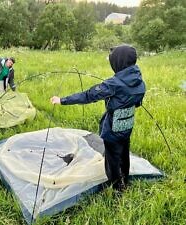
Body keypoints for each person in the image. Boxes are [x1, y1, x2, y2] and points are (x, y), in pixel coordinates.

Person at [50, 45, 146, 192]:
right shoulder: (139, 79)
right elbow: (138, 102)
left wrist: (62, 100)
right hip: (127, 125)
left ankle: (117, 187)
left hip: (113, 128)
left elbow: (88, 95)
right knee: (124, 151)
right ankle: (124, 179)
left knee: (112, 157)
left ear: (119, 62)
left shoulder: (113, 83)